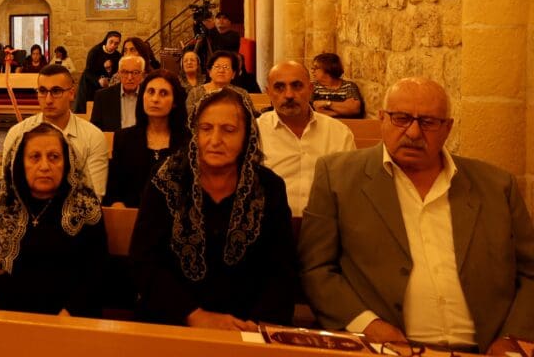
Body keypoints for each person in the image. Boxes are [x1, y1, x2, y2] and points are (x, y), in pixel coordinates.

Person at [299, 77, 534, 353]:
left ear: (448, 128)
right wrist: (368, 325)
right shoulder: (337, 177)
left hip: (486, 346)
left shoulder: (496, 185)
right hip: (386, 346)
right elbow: (316, 269)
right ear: (382, 118)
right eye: (401, 118)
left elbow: (530, 271)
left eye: (428, 122)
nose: (413, 132)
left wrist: (513, 338)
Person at [130, 88, 296, 329]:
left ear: (246, 135)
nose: (215, 140)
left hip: (247, 324)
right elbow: (144, 261)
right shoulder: (166, 181)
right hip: (175, 321)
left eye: (228, 130)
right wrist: (194, 315)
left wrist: (259, 324)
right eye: (206, 129)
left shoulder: (268, 188)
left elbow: (281, 267)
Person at [0, 123, 108, 317]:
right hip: (0, 317)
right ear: (21, 162)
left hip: (69, 322)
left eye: (54, 157)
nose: (45, 166)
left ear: (68, 162)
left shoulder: (85, 203)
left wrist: (61, 324)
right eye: (35, 157)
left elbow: (97, 272)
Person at [257, 61, 354, 216]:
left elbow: (349, 187)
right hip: (270, 227)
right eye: (279, 87)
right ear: (268, 92)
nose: (289, 95)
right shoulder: (256, 132)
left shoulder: (338, 133)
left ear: (310, 89)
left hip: (325, 226)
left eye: (297, 86)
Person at [2, 64, 109, 198]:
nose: (48, 100)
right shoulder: (17, 134)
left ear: (71, 93)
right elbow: (8, 189)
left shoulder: (93, 137)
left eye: (56, 91)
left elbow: (94, 196)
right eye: (42, 91)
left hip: (75, 216)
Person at [105, 69, 189, 207]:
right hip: (130, 218)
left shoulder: (186, 142)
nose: (155, 99)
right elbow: (114, 189)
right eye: (150, 92)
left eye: (164, 93)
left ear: (175, 102)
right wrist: (118, 206)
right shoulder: (124, 138)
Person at [91, 55, 145, 132]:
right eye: (125, 72)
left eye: (135, 72)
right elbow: (95, 130)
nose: (130, 77)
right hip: (112, 142)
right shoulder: (103, 97)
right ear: (119, 73)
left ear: (142, 75)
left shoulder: (148, 96)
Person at [185, 50, 250, 113]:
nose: (221, 70)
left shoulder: (242, 94)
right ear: (209, 72)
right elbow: (190, 120)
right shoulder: (195, 94)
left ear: (233, 74)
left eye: (226, 67)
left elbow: (251, 119)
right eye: (217, 66)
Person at [74, 31, 121, 114]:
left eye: (116, 43)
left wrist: (109, 70)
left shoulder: (118, 56)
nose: (113, 45)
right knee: (86, 111)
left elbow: (115, 73)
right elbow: (88, 72)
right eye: (111, 42)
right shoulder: (95, 51)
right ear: (106, 40)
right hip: (89, 86)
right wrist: (99, 80)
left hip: (105, 88)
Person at [309, 52, 364, 118]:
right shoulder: (313, 87)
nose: (312, 71)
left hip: (346, 125)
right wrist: (343, 110)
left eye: (316, 68)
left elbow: (354, 109)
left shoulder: (349, 86)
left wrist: (326, 103)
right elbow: (312, 112)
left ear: (328, 68)